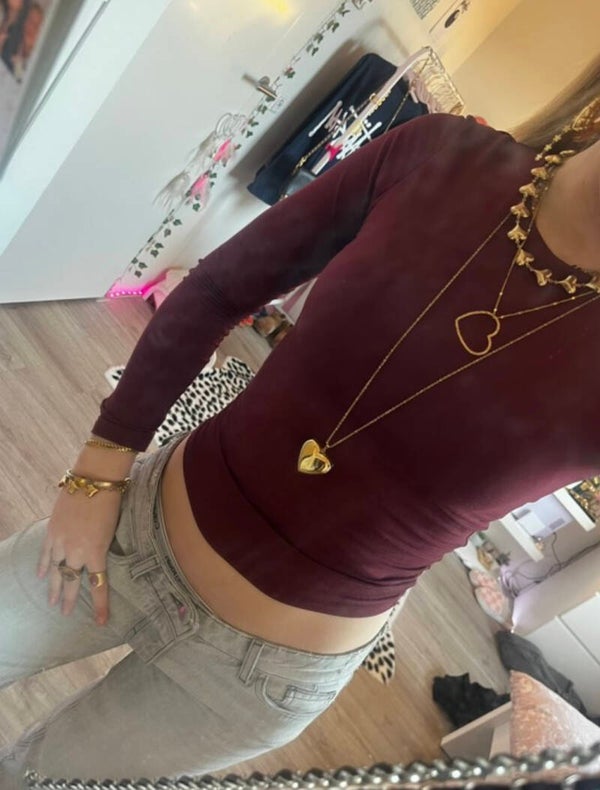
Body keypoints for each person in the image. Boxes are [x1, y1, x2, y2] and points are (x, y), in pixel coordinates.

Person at [1, 55, 600, 786]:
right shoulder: (439, 154)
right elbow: (219, 289)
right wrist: (96, 475)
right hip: (132, 531)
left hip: (254, 685)